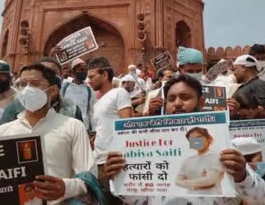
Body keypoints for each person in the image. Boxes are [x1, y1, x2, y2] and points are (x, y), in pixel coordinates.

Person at [105, 74, 265, 205]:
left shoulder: (222, 145)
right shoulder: (153, 148)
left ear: (201, 102)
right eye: (171, 99)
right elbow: (140, 200)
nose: (178, 103)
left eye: (185, 97)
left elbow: (259, 198)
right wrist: (120, 177)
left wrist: (242, 176)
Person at [0, 63, 95, 204]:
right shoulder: (2, 132)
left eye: (35, 83)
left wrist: (65, 187)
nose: (27, 89)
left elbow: (88, 177)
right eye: (22, 84)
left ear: (52, 91)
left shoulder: (73, 127)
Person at [88, 56, 132, 204]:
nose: (89, 80)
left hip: (114, 163)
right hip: (98, 163)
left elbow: (127, 126)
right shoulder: (97, 103)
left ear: (105, 75)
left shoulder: (119, 93)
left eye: (92, 76)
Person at [0, 57, 83, 125]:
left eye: (53, 72)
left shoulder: (72, 109)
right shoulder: (15, 107)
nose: (48, 76)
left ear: (61, 77)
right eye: (44, 72)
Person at [176, 127, 225, 195]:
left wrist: (186, 183)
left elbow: (210, 180)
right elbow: (177, 181)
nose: (196, 141)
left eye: (199, 137)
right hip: (191, 198)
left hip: (212, 199)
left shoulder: (217, 157)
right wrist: (198, 183)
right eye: (192, 140)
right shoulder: (187, 161)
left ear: (210, 139)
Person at [61, 58, 96, 133]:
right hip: (65, 126)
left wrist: (94, 130)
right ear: (73, 72)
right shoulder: (64, 86)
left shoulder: (89, 89)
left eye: (85, 70)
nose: (84, 72)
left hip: (84, 127)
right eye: (81, 70)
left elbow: (91, 111)